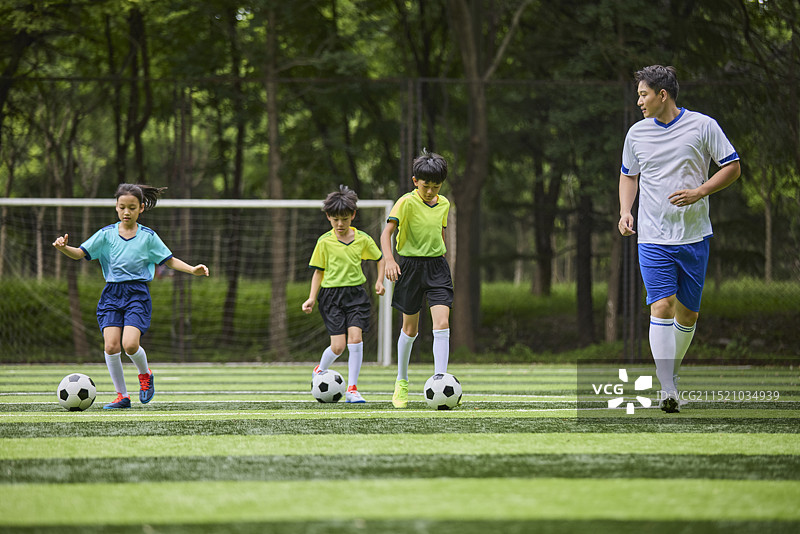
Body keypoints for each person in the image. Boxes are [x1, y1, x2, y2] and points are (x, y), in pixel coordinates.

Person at [618, 65, 741, 413]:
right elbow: (629, 176)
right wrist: (626, 211)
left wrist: (700, 191)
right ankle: (668, 388)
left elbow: (732, 166)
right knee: (662, 306)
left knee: (687, 316)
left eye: (643, 94)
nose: (639, 101)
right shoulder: (636, 134)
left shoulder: (703, 126)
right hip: (653, 237)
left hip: (694, 236)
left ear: (662, 95)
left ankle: (671, 375)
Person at [53, 184, 209, 409]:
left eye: (132, 207)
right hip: (111, 295)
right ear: (116, 207)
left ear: (141, 209)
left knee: (130, 345)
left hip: (137, 294)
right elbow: (80, 254)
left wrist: (192, 269)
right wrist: (64, 248)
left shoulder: (148, 237)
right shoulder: (106, 234)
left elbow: (169, 260)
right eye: (122, 207)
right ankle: (122, 396)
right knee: (111, 346)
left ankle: (145, 375)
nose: (126, 211)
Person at [380, 150, 453, 409]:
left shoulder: (444, 204)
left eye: (436, 186)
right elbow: (386, 234)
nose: (431, 191)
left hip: (437, 268)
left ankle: (440, 379)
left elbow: (441, 234)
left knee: (442, 323)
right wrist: (390, 260)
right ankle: (401, 381)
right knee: (410, 329)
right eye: (425, 186)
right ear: (415, 181)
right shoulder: (405, 203)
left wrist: (442, 262)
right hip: (409, 268)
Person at [302, 185, 386, 403]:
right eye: (336, 219)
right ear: (329, 217)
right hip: (331, 298)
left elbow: (380, 259)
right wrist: (312, 297)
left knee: (356, 339)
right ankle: (320, 369)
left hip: (357, 295)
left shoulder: (363, 239)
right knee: (338, 346)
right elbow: (318, 273)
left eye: (345, 219)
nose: (340, 224)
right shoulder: (324, 242)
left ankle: (352, 389)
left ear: (353, 216)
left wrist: (379, 281)